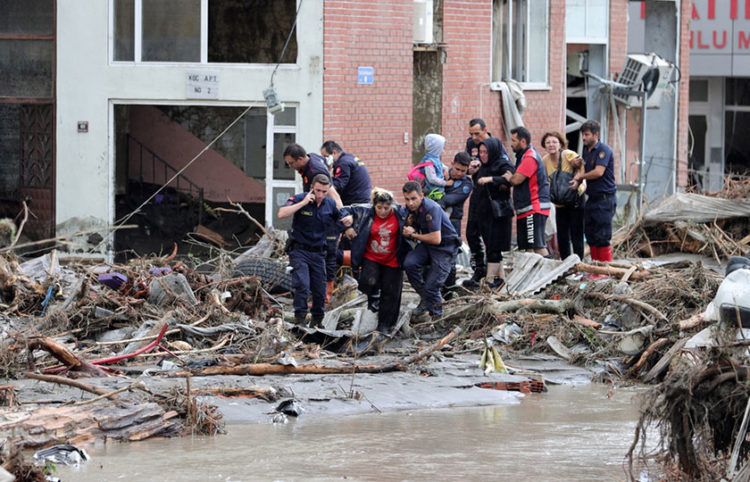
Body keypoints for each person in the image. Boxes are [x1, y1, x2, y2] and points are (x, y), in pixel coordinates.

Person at [278, 174, 352, 326]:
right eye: (318, 191)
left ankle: (317, 322)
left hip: (319, 252)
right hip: (300, 251)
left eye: (324, 192)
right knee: (302, 285)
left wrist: (348, 220)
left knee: (319, 290)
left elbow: (341, 217)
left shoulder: (329, 204)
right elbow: (281, 213)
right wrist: (304, 202)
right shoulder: (300, 198)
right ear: (312, 187)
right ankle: (299, 320)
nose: (320, 195)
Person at [343, 188, 409, 336]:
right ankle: (374, 299)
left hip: (392, 259)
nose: (382, 211)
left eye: (386, 208)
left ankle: (384, 325)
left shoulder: (400, 213)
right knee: (367, 281)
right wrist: (347, 227)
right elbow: (343, 210)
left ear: (391, 206)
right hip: (371, 256)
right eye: (379, 208)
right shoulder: (366, 211)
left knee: (390, 293)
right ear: (374, 205)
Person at [284, 143, 341, 301]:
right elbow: (328, 161)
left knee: (329, 254)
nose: (289, 166)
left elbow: (333, 195)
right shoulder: (312, 158)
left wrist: (339, 219)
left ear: (301, 159)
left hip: (326, 217)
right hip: (315, 214)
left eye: (291, 163)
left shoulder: (315, 171)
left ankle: (327, 294)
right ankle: (313, 292)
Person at [401, 181, 460, 319]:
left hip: (445, 248)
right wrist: (410, 225)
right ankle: (426, 300)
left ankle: (438, 320)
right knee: (409, 264)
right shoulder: (411, 209)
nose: (410, 203)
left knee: (432, 286)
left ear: (421, 196)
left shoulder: (431, 208)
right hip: (428, 245)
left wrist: (411, 234)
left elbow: (436, 238)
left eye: (413, 198)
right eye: (407, 199)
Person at [466, 137, 515, 289]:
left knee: (494, 247)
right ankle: (499, 279)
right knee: (490, 245)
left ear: (493, 151)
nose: (483, 155)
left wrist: (491, 179)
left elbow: (510, 179)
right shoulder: (482, 166)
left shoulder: (503, 163)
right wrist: (473, 171)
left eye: (486, 152)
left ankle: (489, 280)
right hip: (483, 212)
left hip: (498, 213)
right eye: (480, 152)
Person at [571, 120, 617, 262]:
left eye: (587, 134)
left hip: (605, 198)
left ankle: (605, 269)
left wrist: (581, 177)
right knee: (591, 235)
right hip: (592, 198)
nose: (583, 138)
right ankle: (595, 268)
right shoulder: (586, 150)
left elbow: (598, 172)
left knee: (602, 236)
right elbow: (584, 168)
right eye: (583, 135)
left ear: (596, 134)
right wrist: (577, 167)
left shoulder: (604, 150)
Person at [502, 126, 551, 256]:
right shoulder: (522, 156)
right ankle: (533, 275)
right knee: (528, 248)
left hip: (534, 207)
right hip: (525, 208)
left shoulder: (530, 157)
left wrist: (509, 178)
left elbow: (517, 179)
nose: (511, 144)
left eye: (513, 141)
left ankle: (551, 274)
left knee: (537, 246)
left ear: (523, 141)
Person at [464, 118, 501, 286]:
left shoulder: (494, 144)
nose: (474, 137)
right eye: (471, 133)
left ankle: (492, 273)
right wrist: (469, 169)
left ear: (485, 130)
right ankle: (479, 268)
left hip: (490, 196)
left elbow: (505, 169)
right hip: (476, 191)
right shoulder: (470, 144)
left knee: (490, 236)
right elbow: (466, 165)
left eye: (477, 133)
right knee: (471, 231)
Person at [541, 131, 586, 260]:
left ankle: (579, 263)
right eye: (548, 142)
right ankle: (566, 263)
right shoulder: (545, 160)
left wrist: (578, 180)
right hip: (559, 201)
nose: (551, 145)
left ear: (560, 144)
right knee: (562, 234)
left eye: (554, 142)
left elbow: (583, 167)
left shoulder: (568, 155)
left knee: (576, 232)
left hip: (575, 198)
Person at [439, 152, 474, 290]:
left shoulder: (466, 183)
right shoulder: (442, 174)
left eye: (463, 171)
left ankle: (450, 288)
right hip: (437, 219)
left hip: (452, 222)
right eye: (457, 169)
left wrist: (442, 190)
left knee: (450, 255)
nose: (459, 173)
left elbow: (449, 200)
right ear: (452, 164)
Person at [321, 140, 372, 206]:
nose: (325, 159)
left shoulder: (342, 163)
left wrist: (328, 177)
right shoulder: (349, 158)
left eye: (326, 156)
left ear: (334, 153)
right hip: (363, 200)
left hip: (355, 204)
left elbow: (337, 185)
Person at [408, 134, 448, 201]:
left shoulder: (435, 159)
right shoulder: (429, 161)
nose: (443, 150)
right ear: (436, 149)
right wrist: (446, 183)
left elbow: (441, 166)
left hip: (437, 191)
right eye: (441, 148)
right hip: (432, 192)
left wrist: (446, 169)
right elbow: (432, 179)